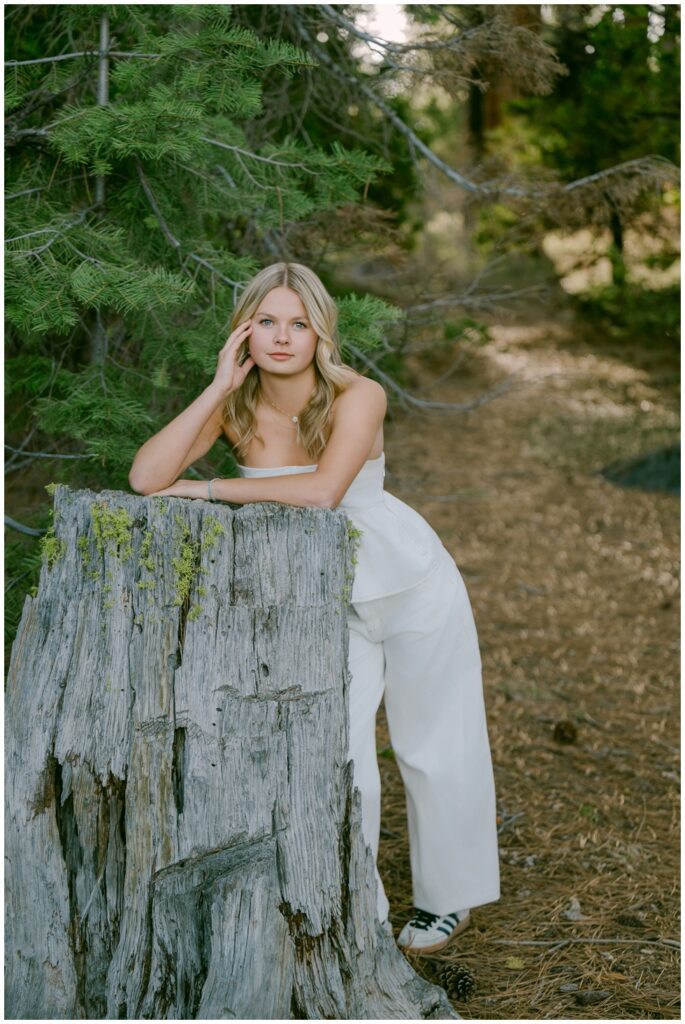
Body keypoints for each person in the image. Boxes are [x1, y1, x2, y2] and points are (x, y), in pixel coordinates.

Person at [129, 261, 500, 955]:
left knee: (432, 745)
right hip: (314, 598)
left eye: (297, 323)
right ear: (244, 330)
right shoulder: (233, 407)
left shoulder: (358, 395)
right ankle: (357, 901)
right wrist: (216, 385)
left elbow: (325, 492)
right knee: (340, 752)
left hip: (410, 583)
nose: (281, 337)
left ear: (320, 332)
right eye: (266, 321)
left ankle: (445, 901)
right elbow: (147, 477)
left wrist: (209, 491)